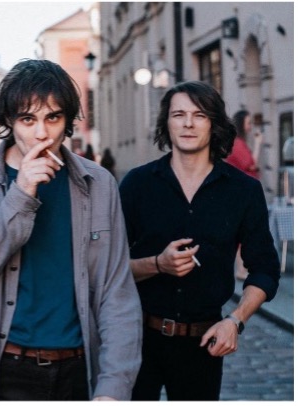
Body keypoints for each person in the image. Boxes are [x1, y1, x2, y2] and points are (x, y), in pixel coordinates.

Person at [0, 59, 142, 401]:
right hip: (3, 372)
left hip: (78, 371)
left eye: (53, 117)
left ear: (68, 119)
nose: (42, 133)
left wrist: (113, 388)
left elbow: (116, 294)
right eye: (28, 119)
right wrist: (20, 196)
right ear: (8, 120)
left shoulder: (99, 183)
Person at [119, 81, 280, 401]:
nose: (188, 123)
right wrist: (157, 264)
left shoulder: (243, 191)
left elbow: (264, 268)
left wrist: (236, 320)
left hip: (203, 342)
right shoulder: (138, 184)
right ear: (166, 122)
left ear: (214, 124)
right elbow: (106, 268)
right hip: (136, 339)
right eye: (179, 114)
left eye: (200, 115)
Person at [226, 110, 263, 280]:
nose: (250, 127)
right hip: (241, 194)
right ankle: (240, 270)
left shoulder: (238, 143)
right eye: (248, 123)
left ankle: (241, 269)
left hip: (241, 192)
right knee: (243, 232)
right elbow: (251, 165)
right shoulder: (238, 144)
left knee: (243, 232)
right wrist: (258, 144)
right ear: (242, 124)